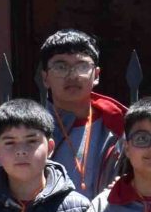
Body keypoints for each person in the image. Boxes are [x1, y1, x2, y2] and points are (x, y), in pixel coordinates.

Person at [39, 29, 126, 193]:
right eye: (61, 67)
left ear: (97, 75)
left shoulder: (120, 127)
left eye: (82, 66)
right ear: (45, 78)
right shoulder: (33, 130)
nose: (72, 76)